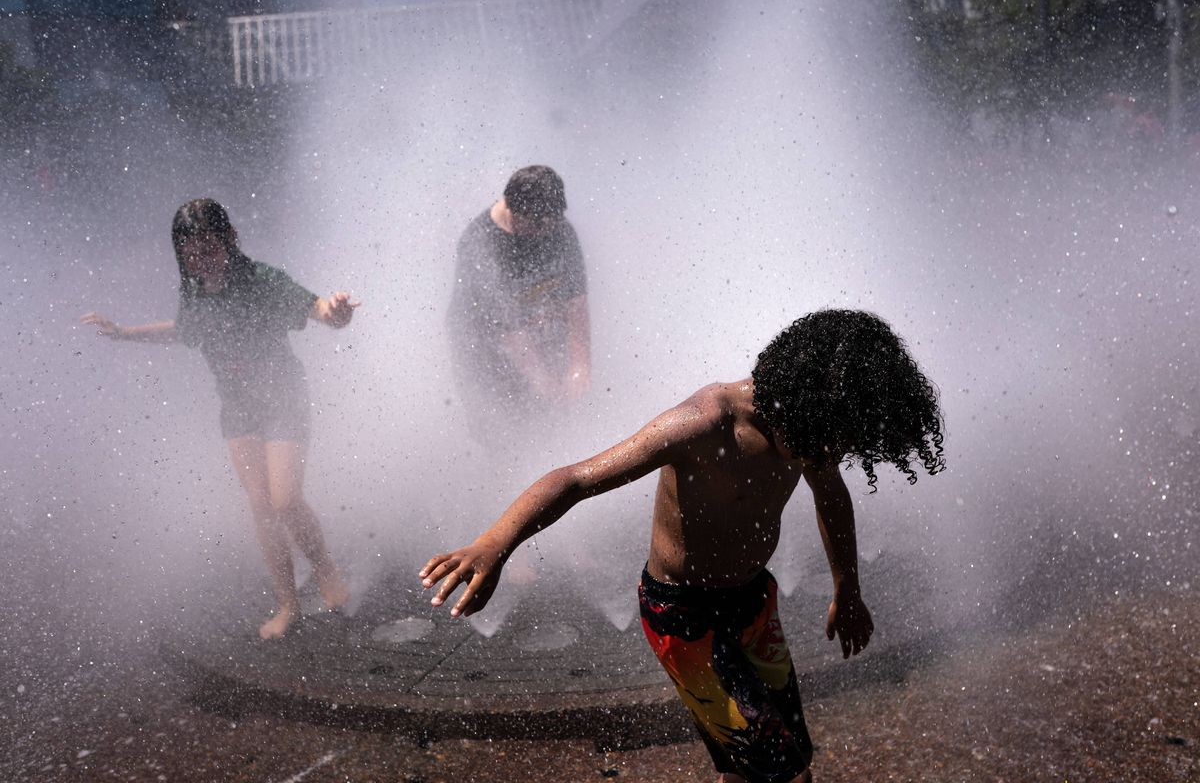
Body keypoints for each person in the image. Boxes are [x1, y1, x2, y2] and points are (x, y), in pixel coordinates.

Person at [420, 309, 945, 783]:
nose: (827, 456)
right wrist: (495, 542)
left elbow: (832, 499)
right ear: (797, 401)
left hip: (752, 604)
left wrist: (846, 587)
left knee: (774, 759)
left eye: (838, 446)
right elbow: (576, 479)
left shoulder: (810, 426)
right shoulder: (703, 424)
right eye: (826, 444)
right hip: (684, 619)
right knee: (778, 765)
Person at [81, 198, 358, 640]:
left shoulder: (262, 281)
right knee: (262, 508)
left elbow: (318, 309)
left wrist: (337, 312)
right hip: (238, 408)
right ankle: (288, 604)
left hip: (283, 397)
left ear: (230, 239)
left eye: (209, 249)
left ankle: (325, 567)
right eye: (190, 254)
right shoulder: (193, 291)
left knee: (285, 499)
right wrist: (124, 334)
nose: (202, 261)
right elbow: (183, 330)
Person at [446, 165, 591, 437]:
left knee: (556, 423)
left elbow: (576, 298)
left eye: (552, 223)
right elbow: (509, 330)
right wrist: (545, 385)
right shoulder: (481, 246)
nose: (546, 232)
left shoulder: (557, 228)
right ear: (512, 209)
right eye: (538, 225)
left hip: (534, 330)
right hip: (482, 350)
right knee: (505, 431)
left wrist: (579, 367)